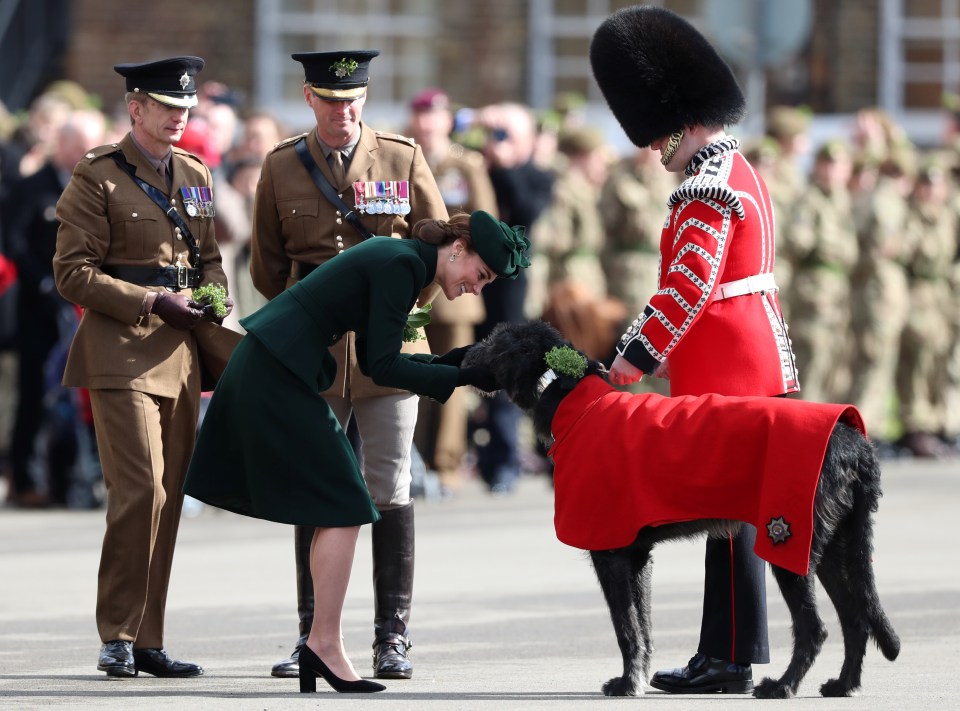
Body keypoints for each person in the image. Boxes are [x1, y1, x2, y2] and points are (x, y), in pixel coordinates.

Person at [185, 211, 529, 693]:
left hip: (279, 366)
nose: (478, 287)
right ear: (458, 250)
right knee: (346, 502)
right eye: (482, 274)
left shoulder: (405, 261)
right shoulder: (403, 266)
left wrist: (457, 363)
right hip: (277, 371)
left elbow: (373, 360)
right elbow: (386, 366)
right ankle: (322, 643)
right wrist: (461, 375)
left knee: (343, 504)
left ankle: (320, 643)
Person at [592, 6, 800, 694]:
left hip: (728, 362)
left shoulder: (708, 184)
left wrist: (634, 355)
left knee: (732, 515)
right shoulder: (736, 170)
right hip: (740, 355)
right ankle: (725, 651)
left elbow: (688, 285)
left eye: (659, 141)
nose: (656, 152)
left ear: (682, 123)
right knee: (728, 513)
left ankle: (731, 658)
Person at [249, 50, 448, 681]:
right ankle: (312, 634)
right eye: (332, 101)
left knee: (389, 485)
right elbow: (266, 266)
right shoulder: (281, 166)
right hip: (317, 351)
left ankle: (393, 636)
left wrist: (394, 312)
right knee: (314, 483)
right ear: (309, 98)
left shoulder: (401, 156)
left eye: (354, 100)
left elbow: (438, 248)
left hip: (391, 349)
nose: (344, 112)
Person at [52, 56, 241, 679]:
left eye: (186, 109)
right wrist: (151, 300)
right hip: (119, 351)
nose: (179, 118)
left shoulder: (194, 171)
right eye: (168, 108)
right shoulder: (97, 175)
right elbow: (71, 272)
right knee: (142, 491)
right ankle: (117, 633)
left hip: (181, 355)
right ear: (136, 108)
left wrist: (215, 296)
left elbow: (210, 257)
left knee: (169, 497)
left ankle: (149, 638)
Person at [6, 109, 106, 508]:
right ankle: (26, 479)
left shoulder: (103, 187)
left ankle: (74, 480)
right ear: (61, 145)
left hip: (86, 308)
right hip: (40, 309)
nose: (84, 153)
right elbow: (13, 241)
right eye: (78, 145)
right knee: (34, 395)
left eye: (90, 145)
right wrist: (46, 283)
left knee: (82, 397)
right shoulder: (33, 187)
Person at [406, 87, 497, 494]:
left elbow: (487, 223)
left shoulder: (465, 164)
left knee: (451, 379)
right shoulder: (403, 157)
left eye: (434, 115)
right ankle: (412, 462)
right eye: (421, 115)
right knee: (410, 375)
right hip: (412, 286)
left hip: (455, 291)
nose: (427, 123)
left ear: (446, 120)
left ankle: (444, 463)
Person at [471, 101, 555, 493]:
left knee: (506, 367)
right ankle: (467, 453)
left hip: (510, 289)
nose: (495, 143)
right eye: (494, 134)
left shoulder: (535, 175)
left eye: (506, 135)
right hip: (468, 285)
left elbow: (526, 212)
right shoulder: (473, 169)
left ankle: (504, 459)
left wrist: (506, 166)